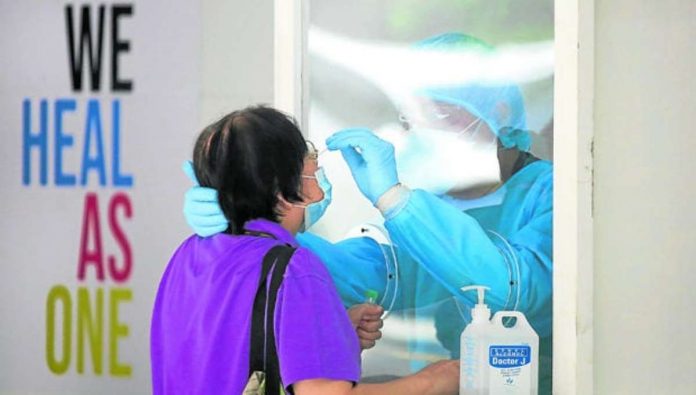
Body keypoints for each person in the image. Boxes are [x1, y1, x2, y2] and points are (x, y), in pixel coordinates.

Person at [184, 33, 553, 392]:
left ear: (498, 111)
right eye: (413, 117)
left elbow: (509, 288)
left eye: (440, 113)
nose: (425, 130)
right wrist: (250, 231)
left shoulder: (553, 192)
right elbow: (353, 274)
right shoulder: (430, 211)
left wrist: (393, 199)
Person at [151, 105, 459, 394]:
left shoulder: (189, 254)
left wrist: (332, 336)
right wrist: (432, 382)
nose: (314, 162)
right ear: (285, 186)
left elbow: (226, 352)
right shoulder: (293, 269)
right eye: (307, 155)